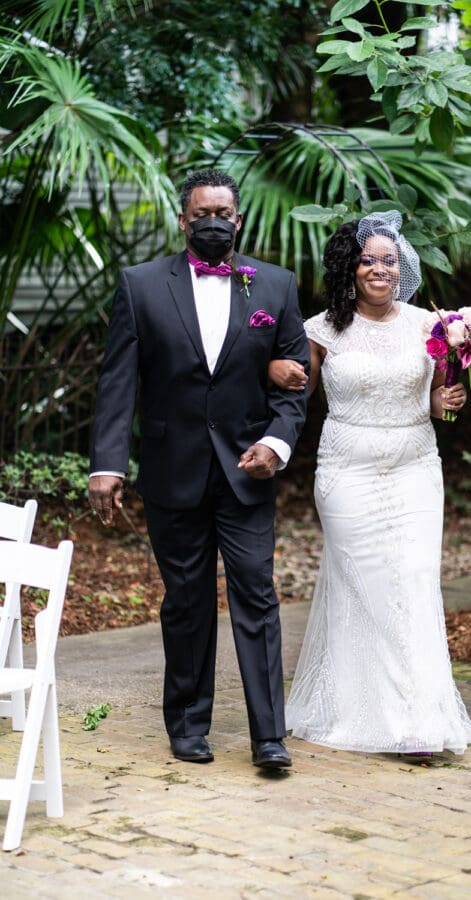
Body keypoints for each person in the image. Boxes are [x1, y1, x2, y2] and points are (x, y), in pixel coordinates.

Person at [89, 169, 309, 769]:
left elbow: (295, 382)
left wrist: (276, 445)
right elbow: (117, 381)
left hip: (247, 470)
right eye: (202, 213)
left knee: (257, 597)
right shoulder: (140, 285)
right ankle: (187, 725)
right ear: (183, 219)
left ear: (238, 220)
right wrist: (107, 465)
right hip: (172, 470)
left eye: (223, 213)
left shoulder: (275, 286)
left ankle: (270, 737)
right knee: (185, 600)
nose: (213, 222)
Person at [269, 212, 471, 756]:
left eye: (389, 260)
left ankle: (414, 718)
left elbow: (435, 402)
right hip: (347, 473)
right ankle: (357, 707)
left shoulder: (429, 326)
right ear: (350, 267)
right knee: (364, 583)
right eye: (368, 260)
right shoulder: (322, 329)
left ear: (402, 266)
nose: (380, 269)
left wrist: (446, 400)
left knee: (411, 580)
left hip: (414, 466)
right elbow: (296, 395)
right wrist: (276, 375)